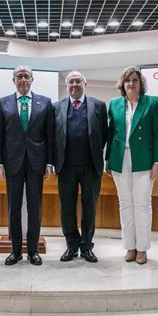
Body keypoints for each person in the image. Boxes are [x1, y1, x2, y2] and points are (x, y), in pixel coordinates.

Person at [0, 65, 54, 266]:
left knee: (35, 207)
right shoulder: (2, 103)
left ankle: (33, 250)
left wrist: (49, 163)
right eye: (19, 76)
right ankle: (15, 250)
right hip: (12, 163)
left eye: (26, 76)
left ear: (32, 79)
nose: (23, 80)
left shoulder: (45, 103)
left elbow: (50, 136)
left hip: (37, 162)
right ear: (14, 80)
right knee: (14, 207)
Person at [105, 66, 158, 265]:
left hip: (144, 160)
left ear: (141, 84)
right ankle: (130, 247)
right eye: (128, 80)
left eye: (135, 80)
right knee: (125, 204)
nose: (131, 83)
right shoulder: (114, 104)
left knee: (142, 205)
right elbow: (111, 133)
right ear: (123, 84)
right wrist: (107, 160)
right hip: (119, 160)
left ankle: (142, 249)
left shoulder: (152, 103)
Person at [53, 71, 108, 263]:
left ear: (85, 84)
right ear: (66, 86)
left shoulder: (99, 106)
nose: (74, 85)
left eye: (78, 81)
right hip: (65, 167)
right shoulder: (56, 107)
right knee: (67, 208)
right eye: (70, 82)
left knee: (89, 208)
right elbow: (53, 138)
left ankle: (86, 247)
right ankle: (71, 246)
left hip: (90, 167)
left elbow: (103, 135)